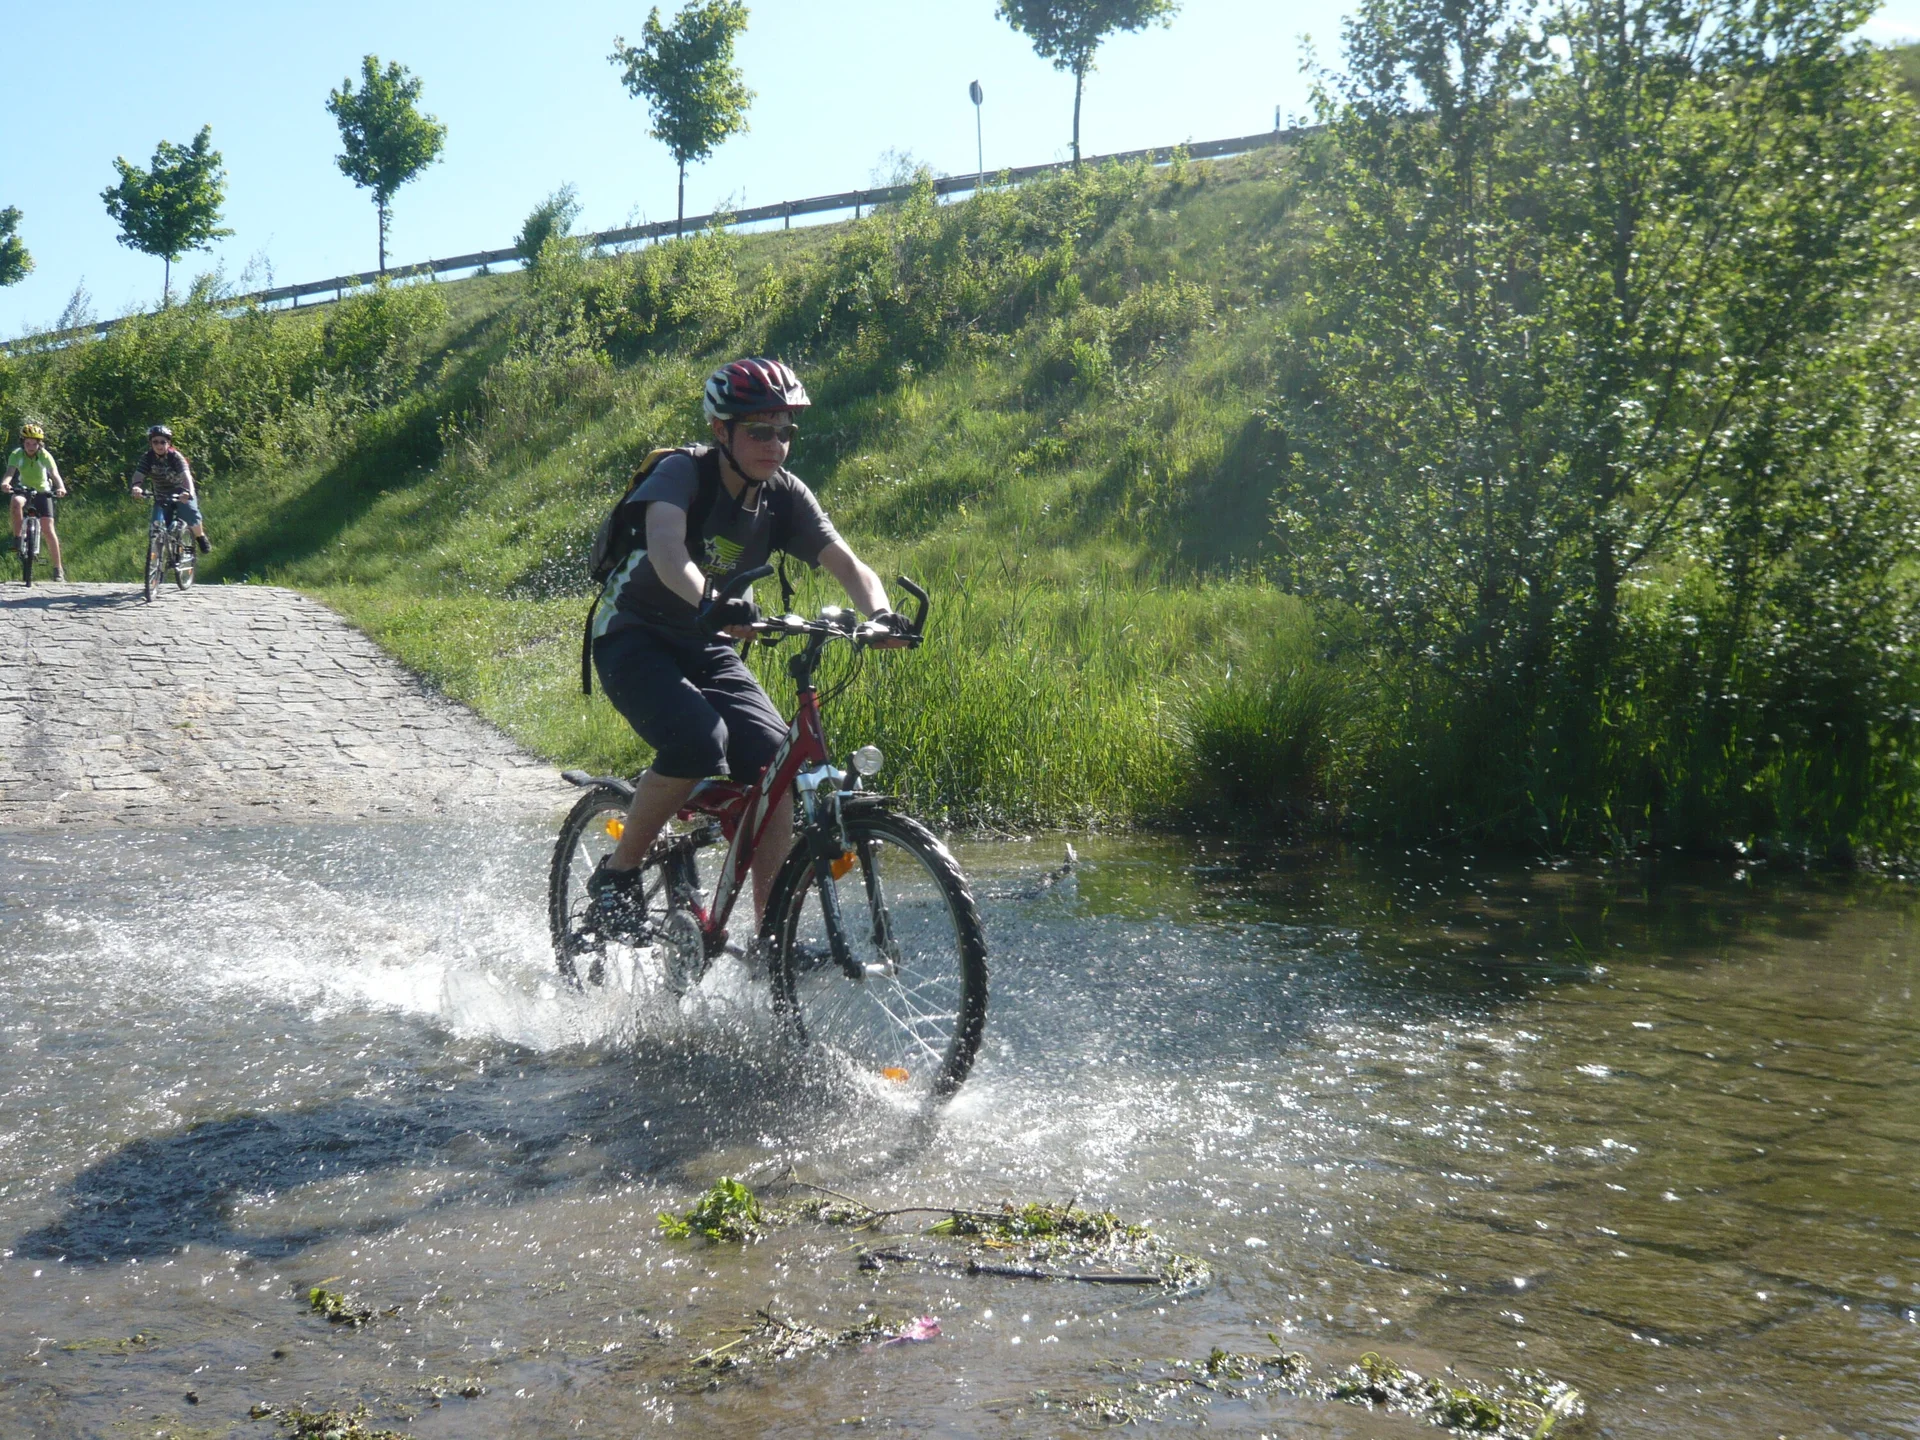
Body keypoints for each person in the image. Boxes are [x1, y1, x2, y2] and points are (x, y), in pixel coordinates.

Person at [585, 357, 912, 933]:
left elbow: (847, 563)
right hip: (633, 635)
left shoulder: (784, 494)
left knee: (773, 764)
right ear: (721, 430)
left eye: (786, 432)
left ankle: (772, 936)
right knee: (697, 740)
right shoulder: (684, 474)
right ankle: (618, 874)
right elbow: (667, 550)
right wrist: (711, 598)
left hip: (706, 642)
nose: (776, 445)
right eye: (760, 431)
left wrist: (882, 614)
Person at [127, 424, 211, 553]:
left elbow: (186, 476)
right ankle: (158, 560)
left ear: (168, 443)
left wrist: (187, 492)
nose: (159, 445)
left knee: (190, 513)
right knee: (156, 527)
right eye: (155, 442)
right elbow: (139, 474)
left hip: (181, 493)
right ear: (151, 443)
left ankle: (200, 537)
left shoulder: (175, 457)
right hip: (161, 495)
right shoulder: (147, 458)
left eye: (163, 442)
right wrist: (136, 487)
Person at [3, 423, 69, 580]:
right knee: (16, 502)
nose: (31, 447)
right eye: (27, 443)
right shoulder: (17, 454)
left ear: (39, 444)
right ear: (22, 443)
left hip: (42, 491)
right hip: (24, 489)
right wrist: (5, 483)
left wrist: (61, 488)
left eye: (34, 444)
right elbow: (10, 472)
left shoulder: (45, 456)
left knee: (48, 528)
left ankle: (57, 568)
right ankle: (17, 539)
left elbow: (54, 474)